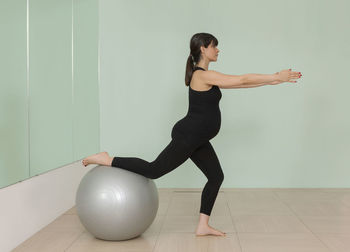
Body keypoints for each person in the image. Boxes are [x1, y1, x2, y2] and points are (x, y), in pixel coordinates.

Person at [82, 32, 302, 237]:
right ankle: (107, 159)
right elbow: (242, 79)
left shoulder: (208, 76)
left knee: (216, 177)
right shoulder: (201, 75)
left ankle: (202, 225)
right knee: (154, 170)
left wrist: (275, 81)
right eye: (215, 46)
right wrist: (275, 75)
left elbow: (242, 85)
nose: (218, 50)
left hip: (198, 137)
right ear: (203, 49)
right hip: (189, 135)